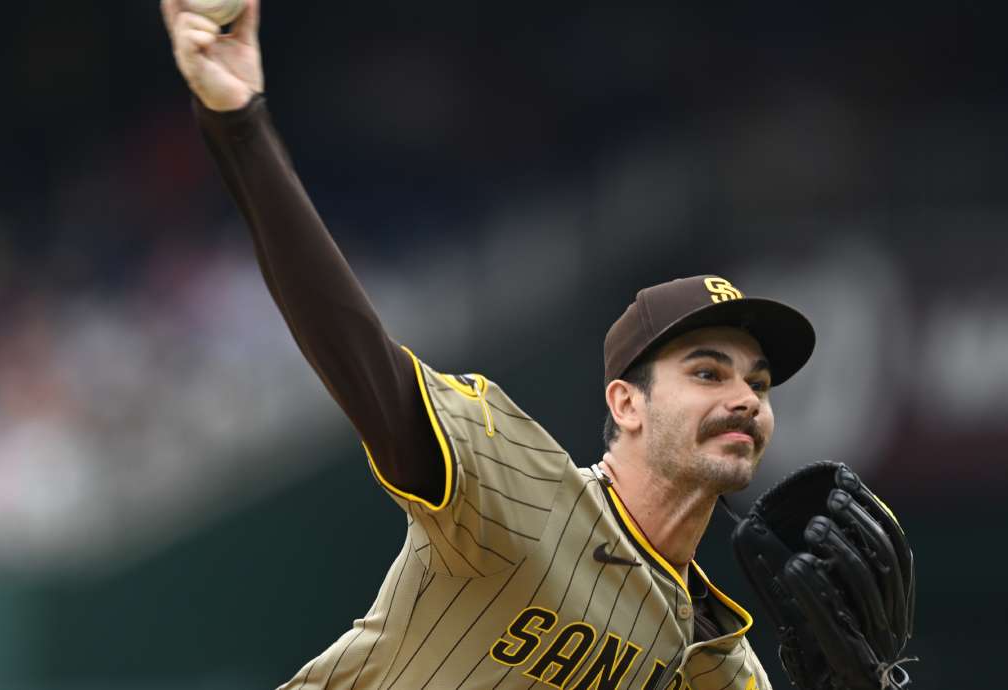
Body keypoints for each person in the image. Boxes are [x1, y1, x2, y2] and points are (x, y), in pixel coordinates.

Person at [162, 1, 816, 688]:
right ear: (626, 403)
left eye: (760, 383)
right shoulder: (517, 486)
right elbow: (351, 343)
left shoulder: (722, 666)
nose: (745, 398)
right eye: (709, 373)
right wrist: (241, 128)